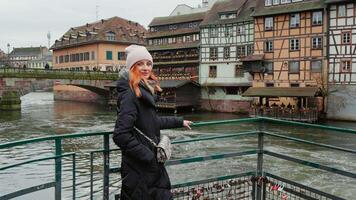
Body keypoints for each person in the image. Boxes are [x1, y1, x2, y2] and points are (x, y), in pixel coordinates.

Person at [113, 45, 192, 200]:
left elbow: (151, 122)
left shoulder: (143, 91)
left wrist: (179, 122)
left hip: (147, 167)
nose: (145, 68)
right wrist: (148, 156)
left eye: (148, 64)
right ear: (132, 67)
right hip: (139, 167)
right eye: (140, 64)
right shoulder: (131, 95)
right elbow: (120, 135)